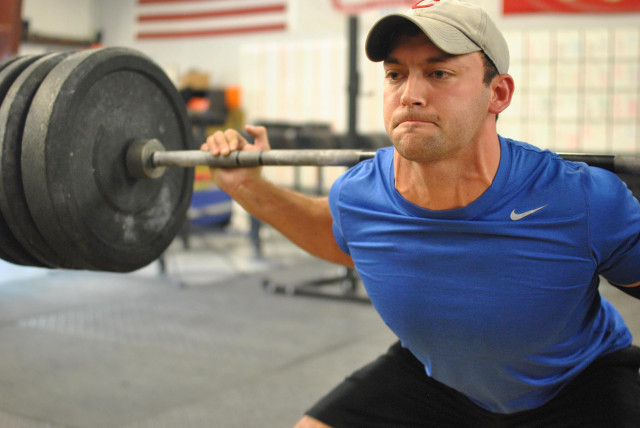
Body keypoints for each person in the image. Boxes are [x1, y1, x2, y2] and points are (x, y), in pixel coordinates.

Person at [201, 0, 640, 426]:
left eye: (438, 73)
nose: (409, 94)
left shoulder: (581, 198)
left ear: (498, 93)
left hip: (576, 383)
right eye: (395, 74)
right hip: (442, 382)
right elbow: (336, 235)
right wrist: (245, 184)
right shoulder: (359, 195)